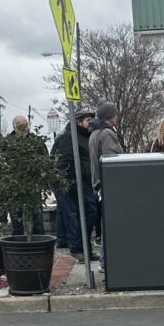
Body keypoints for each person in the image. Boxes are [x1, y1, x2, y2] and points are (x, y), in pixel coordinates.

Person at [52, 109, 99, 263]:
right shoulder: (68, 138)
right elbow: (63, 163)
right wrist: (71, 182)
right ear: (79, 122)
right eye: (87, 120)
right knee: (80, 214)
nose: (91, 123)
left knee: (89, 213)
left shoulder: (87, 137)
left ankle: (85, 249)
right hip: (73, 184)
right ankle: (77, 248)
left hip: (86, 182)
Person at [89, 101, 123, 272]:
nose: (117, 116)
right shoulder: (107, 133)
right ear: (111, 116)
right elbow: (112, 161)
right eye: (115, 113)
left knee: (104, 223)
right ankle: (107, 262)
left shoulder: (94, 133)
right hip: (109, 184)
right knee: (111, 224)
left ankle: (104, 261)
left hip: (99, 184)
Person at [8, 116, 46, 236]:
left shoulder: (36, 141)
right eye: (20, 126)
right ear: (14, 127)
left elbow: (45, 159)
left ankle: (39, 242)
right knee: (16, 218)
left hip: (33, 186)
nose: (24, 128)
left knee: (36, 217)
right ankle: (18, 244)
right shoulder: (8, 142)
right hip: (14, 186)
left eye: (25, 125)